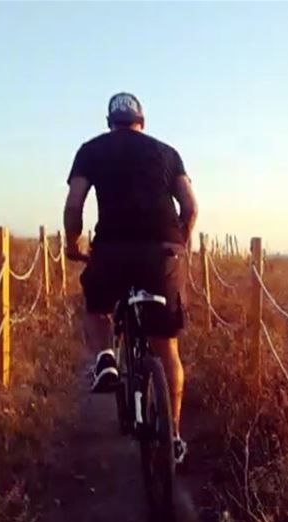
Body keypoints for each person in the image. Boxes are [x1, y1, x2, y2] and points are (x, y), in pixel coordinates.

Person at [63, 92, 198, 463]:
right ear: (142, 121)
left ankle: (106, 356)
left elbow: (75, 203)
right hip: (162, 251)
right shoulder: (166, 152)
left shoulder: (91, 150)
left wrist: (74, 244)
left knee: (98, 305)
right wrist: (177, 244)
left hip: (112, 249)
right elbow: (189, 206)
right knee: (166, 346)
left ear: (110, 122)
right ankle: (172, 437)